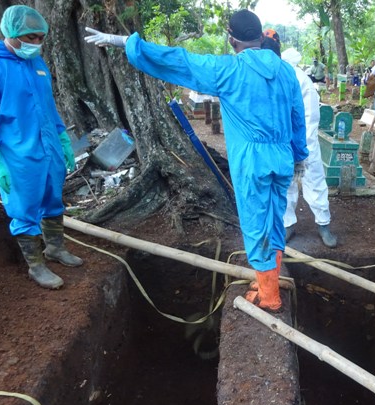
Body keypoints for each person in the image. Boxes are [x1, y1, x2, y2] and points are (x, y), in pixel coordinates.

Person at [85, 10, 308, 312]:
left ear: (233, 38)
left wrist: (127, 42)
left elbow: (180, 60)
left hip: (252, 160)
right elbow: (297, 117)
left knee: (256, 223)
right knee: (274, 218)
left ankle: (269, 295)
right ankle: (268, 277)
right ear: (258, 36)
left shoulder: (228, 70)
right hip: (281, 157)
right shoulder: (285, 71)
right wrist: (299, 156)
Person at [0, 5, 83, 290]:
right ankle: (36, 266)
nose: (35, 43)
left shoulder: (37, 64)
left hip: (49, 146)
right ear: (12, 33)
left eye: (40, 38)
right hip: (18, 152)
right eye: (29, 37)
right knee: (25, 206)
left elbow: (49, 106)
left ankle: (55, 248)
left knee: (54, 198)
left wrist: (63, 139)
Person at [280, 47, 337, 248]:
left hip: (304, 143)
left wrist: (302, 147)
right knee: (286, 183)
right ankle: (288, 224)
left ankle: (323, 224)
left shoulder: (302, 81)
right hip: (283, 143)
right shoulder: (276, 78)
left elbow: (310, 117)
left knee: (314, 180)